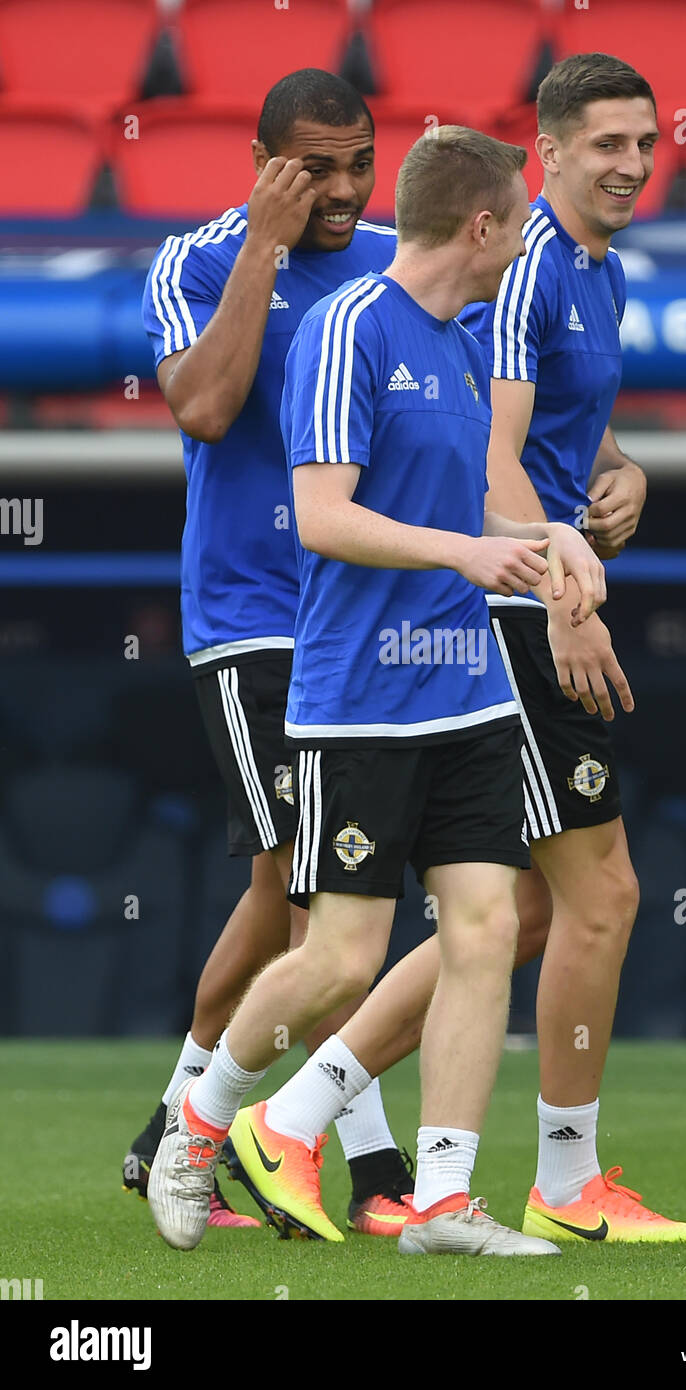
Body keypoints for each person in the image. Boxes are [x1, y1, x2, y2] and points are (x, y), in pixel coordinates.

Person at [224, 54, 686, 1247]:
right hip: (505, 620)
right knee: (593, 901)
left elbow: (555, 440)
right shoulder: (528, 258)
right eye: (604, 143)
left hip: (516, 597)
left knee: (513, 917)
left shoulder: (595, 272)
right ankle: (560, 1174)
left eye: (645, 142)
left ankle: (296, 1117)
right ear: (541, 155)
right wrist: (559, 593)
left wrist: (619, 469)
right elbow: (488, 459)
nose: (631, 163)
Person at [146, 125, 606, 1256]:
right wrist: (463, 555)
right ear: (483, 224)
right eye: (518, 222)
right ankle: (199, 1125)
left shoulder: (458, 342)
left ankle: (444, 1200)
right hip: (358, 693)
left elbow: (468, 516)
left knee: (485, 929)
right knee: (340, 958)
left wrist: (550, 538)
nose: (525, 246)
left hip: (464, 688)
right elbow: (321, 515)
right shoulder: (352, 329)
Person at [129, 68, 415, 1235]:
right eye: (315, 165)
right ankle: (367, 1169)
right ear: (261, 159)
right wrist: (266, 243)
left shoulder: (402, 261)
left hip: (365, 617)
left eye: (360, 161)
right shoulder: (196, 260)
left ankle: (168, 1131)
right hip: (250, 620)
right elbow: (202, 406)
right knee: (316, 883)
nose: (343, 189)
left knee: (280, 891)